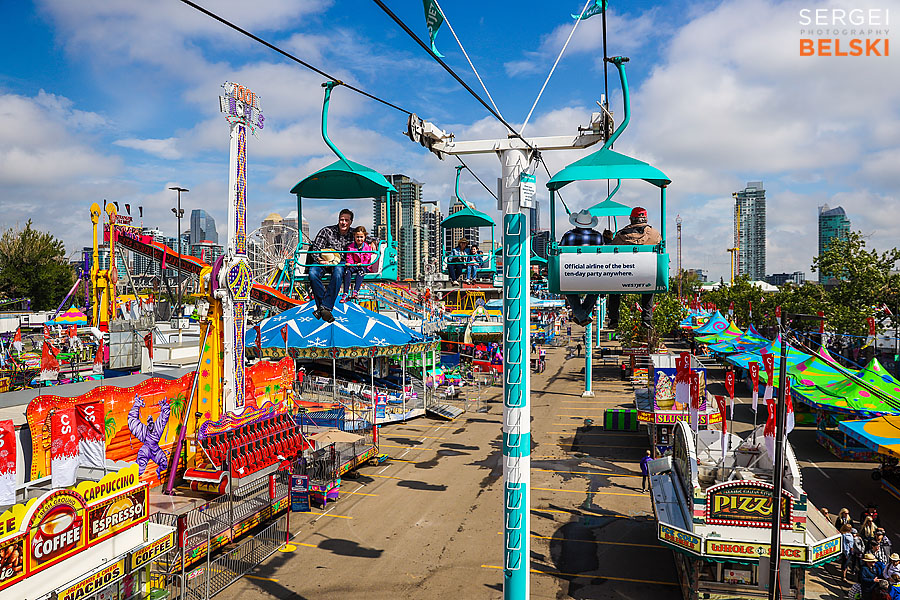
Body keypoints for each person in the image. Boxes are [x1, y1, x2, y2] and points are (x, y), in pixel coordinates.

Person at [606, 207, 662, 329]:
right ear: (645, 218)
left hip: (623, 277)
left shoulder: (620, 236)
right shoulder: (655, 234)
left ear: (631, 219)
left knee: (613, 288)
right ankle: (647, 318)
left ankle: (614, 317)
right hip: (645, 276)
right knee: (649, 286)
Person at [309, 209, 355, 322]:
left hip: (340, 262)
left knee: (339, 272)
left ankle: (322, 308)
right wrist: (319, 260)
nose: (343, 222)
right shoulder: (327, 231)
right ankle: (325, 308)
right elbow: (315, 248)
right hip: (324, 260)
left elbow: (369, 238)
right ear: (338, 220)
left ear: (351, 222)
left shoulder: (354, 234)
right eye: (341, 220)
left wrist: (374, 242)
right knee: (313, 273)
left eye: (346, 220)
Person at [560, 210, 604, 326]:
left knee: (568, 291)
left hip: (572, 273)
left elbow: (560, 255)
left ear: (576, 223)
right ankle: (582, 317)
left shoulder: (568, 236)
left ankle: (582, 317)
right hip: (593, 274)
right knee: (595, 291)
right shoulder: (598, 236)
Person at [342, 225, 375, 302]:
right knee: (347, 271)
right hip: (355, 265)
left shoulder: (367, 247)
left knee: (361, 272)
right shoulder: (351, 247)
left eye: (361, 237)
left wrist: (362, 263)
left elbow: (367, 258)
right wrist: (350, 263)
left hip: (364, 266)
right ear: (354, 237)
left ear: (364, 237)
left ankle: (355, 291)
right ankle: (345, 292)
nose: (359, 239)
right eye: (357, 237)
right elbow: (349, 256)